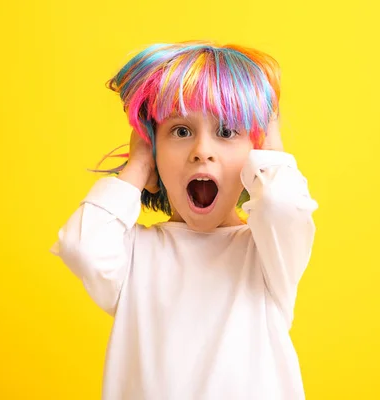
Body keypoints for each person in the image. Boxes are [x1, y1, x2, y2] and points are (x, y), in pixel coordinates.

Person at [50, 41, 319, 400]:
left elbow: (283, 204)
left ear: (255, 154)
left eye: (226, 132)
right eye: (180, 131)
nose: (201, 151)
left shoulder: (267, 253)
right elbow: (81, 247)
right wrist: (139, 165)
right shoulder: (134, 254)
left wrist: (270, 143)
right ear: (154, 150)